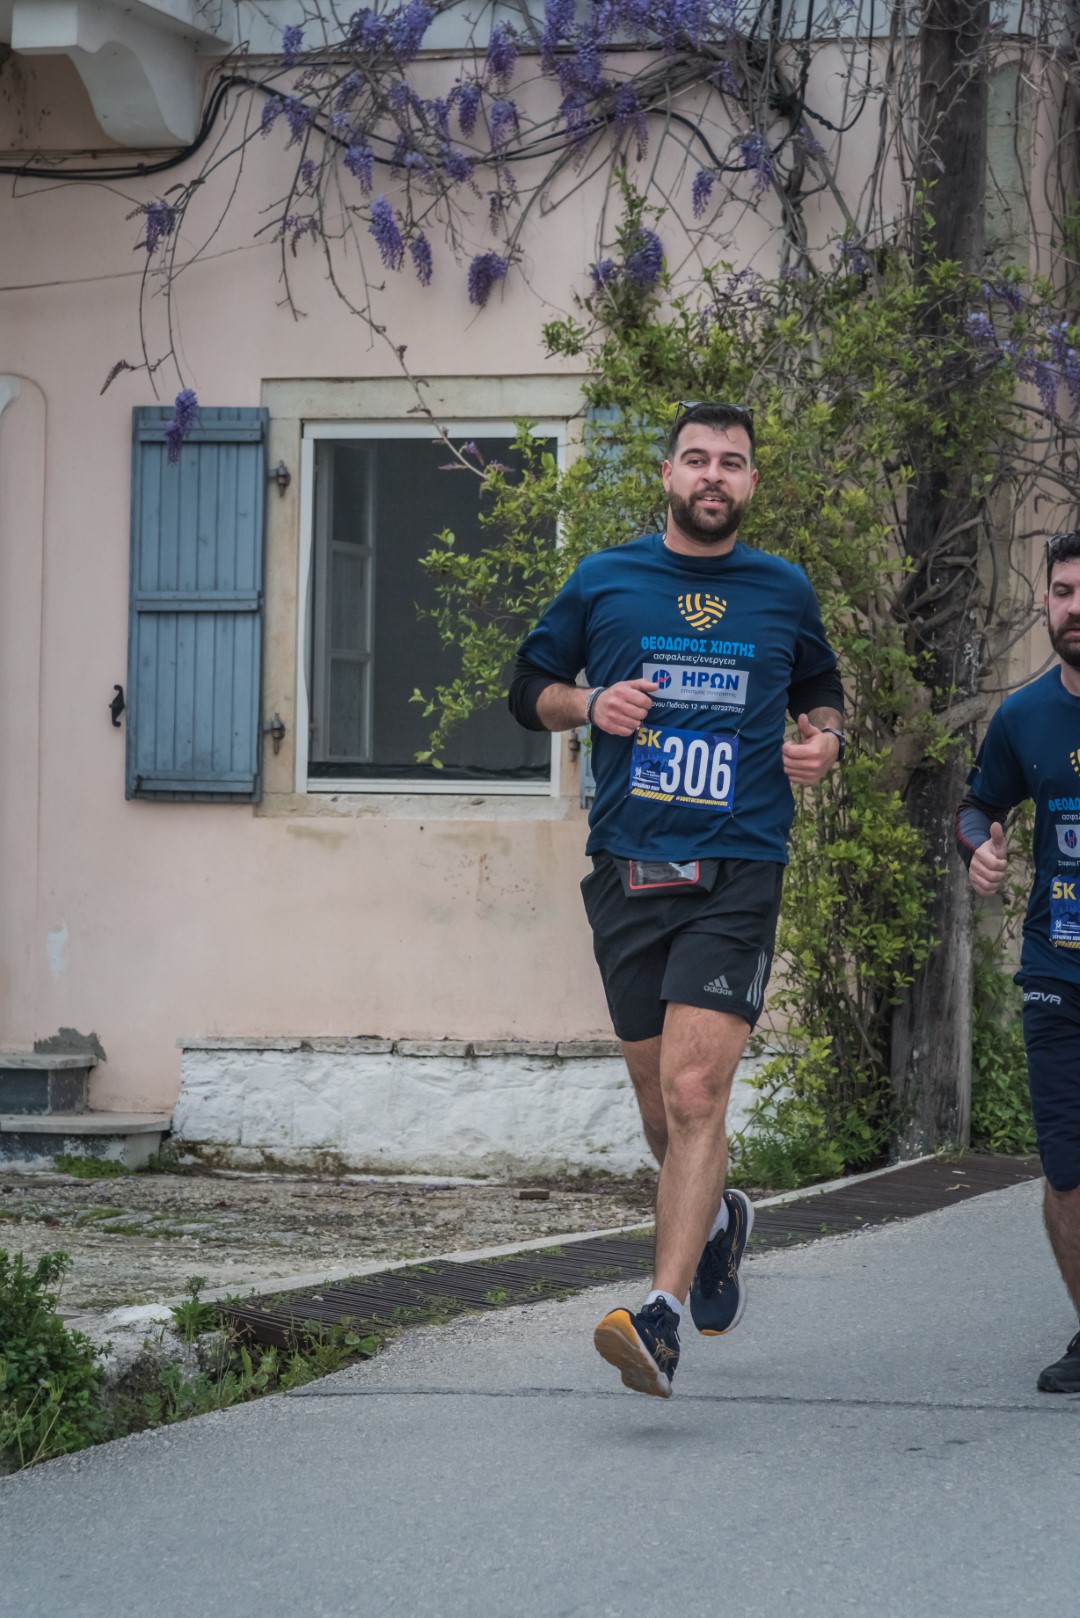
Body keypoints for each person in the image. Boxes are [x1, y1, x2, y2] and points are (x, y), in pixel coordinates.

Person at [509, 402, 844, 1397]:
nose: (713, 475)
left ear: (751, 482)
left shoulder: (783, 589)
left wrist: (824, 740)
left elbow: (822, 691)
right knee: (664, 1112)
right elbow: (527, 688)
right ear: (667, 474)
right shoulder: (604, 579)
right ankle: (719, 1218)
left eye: (731, 462)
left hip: (738, 867)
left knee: (697, 1094)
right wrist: (588, 703)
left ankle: (658, 1318)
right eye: (696, 458)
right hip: (629, 868)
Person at [955, 527, 1080, 1394]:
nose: (1077, 609)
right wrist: (980, 851)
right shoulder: (1024, 715)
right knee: (1067, 1173)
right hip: (1057, 973)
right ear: (1046, 603)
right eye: (1065, 592)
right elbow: (977, 807)